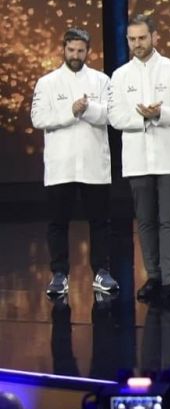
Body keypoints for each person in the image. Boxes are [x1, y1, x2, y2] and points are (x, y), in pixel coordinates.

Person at [109, 14, 170, 306]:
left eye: (142, 38)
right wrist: (141, 118)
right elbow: (115, 116)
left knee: (169, 221)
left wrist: (159, 114)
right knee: (145, 221)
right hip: (137, 158)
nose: (137, 44)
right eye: (132, 39)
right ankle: (154, 277)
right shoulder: (120, 75)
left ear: (154, 37)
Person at [31, 28, 118, 298]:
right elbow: (38, 118)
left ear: (88, 51)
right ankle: (59, 274)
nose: (76, 55)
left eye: (81, 51)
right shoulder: (47, 83)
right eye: (71, 50)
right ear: (63, 49)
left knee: (100, 222)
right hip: (61, 166)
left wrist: (87, 109)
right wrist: (71, 111)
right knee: (58, 223)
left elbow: (111, 115)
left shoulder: (101, 80)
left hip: (94, 164)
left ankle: (102, 273)